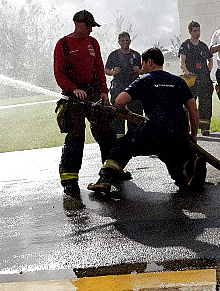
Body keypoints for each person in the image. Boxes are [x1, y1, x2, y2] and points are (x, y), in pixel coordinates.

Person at [87, 47, 206, 193]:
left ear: (150, 62)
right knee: (176, 167)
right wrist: (193, 135)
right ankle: (191, 168)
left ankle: (104, 179)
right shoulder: (178, 81)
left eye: (143, 64)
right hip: (178, 133)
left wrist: (125, 110)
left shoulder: (144, 81)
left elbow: (119, 101)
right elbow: (193, 109)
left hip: (153, 132)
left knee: (121, 146)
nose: (142, 67)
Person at [53, 10, 117, 198]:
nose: (90, 30)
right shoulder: (62, 44)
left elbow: (99, 68)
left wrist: (104, 92)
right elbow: (59, 73)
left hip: (94, 93)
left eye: (91, 26)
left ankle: (112, 171)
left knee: (106, 133)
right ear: (76, 23)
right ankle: (70, 180)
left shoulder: (93, 43)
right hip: (73, 97)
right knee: (75, 136)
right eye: (87, 26)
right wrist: (73, 89)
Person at [105, 32, 143, 138]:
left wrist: (139, 71)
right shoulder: (114, 55)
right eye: (123, 41)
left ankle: (134, 139)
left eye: (127, 40)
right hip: (118, 88)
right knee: (118, 114)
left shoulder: (136, 54)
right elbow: (105, 70)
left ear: (130, 41)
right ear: (119, 42)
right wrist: (113, 73)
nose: (125, 43)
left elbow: (144, 70)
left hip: (134, 87)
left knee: (135, 114)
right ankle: (119, 139)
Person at [179, 21, 214, 136]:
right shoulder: (185, 45)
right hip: (191, 80)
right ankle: (187, 128)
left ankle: (204, 128)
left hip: (204, 80)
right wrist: (186, 71)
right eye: (194, 31)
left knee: (205, 104)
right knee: (188, 104)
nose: (197, 33)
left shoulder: (203, 46)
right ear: (189, 32)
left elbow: (210, 59)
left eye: (198, 30)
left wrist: (208, 69)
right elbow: (182, 61)